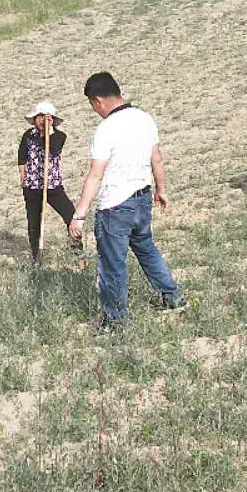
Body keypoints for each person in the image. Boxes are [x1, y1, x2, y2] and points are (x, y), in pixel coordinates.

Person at [68, 72, 186, 331]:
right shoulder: (145, 119)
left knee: (112, 265)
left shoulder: (106, 129)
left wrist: (79, 214)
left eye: (92, 105)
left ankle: (115, 322)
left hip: (115, 208)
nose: (95, 110)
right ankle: (173, 297)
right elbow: (157, 158)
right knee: (146, 249)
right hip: (142, 199)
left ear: (98, 100)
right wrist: (161, 189)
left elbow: (96, 174)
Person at [16, 102, 75, 265]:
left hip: (52, 186)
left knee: (71, 216)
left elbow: (53, 149)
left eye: (46, 117)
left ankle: (78, 255)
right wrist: (23, 173)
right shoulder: (29, 135)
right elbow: (22, 154)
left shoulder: (59, 136)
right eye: (39, 117)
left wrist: (48, 132)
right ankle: (37, 260)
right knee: (34, 225)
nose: (42, 120)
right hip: (32, 187)